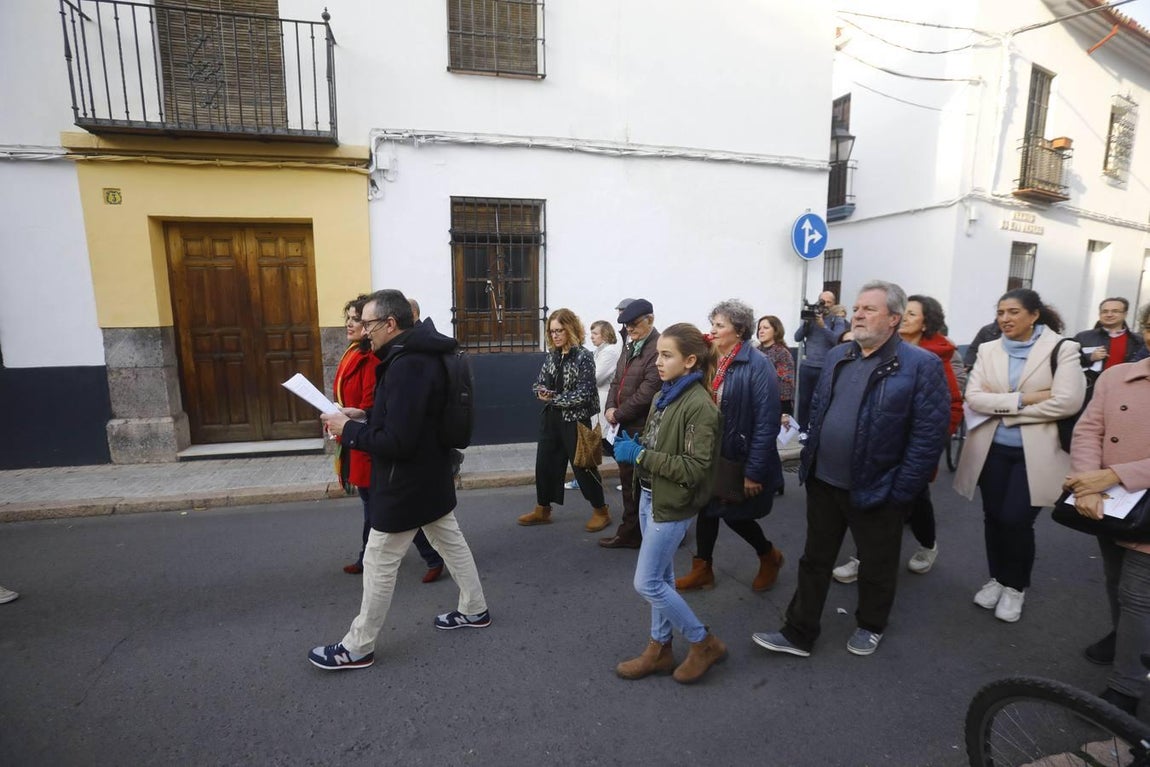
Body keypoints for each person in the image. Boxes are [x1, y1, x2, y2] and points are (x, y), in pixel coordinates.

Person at [752, 281, 949, 658]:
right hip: (824, 481)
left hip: (878, 486)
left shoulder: (920, 365)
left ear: (893, 319)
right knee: (815, 560)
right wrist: (809, 459)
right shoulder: (838, 355)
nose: (858, 315)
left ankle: (871, 624)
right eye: (857, 308)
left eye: (869, 309)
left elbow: (928, 437)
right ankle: (799, 632)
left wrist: (900, 492)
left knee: (877, 563)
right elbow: (819, 408)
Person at [308, 289, 489, 671]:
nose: (364, 331)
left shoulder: (408, 364)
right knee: (450, 542)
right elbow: (409, 415)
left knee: (379, 559)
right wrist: (364, 414)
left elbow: (398, 441)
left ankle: (358, 647)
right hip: (431, 475)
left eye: (369, 324)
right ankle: (475, 608)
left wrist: (348, 431)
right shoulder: (420, 353)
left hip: (406, 483)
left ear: (390, 323)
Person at [954, 288, 1085, 623]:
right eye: (1000, 312)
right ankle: (997, 578)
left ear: (1034, 315)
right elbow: (974, 397)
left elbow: (1067, 402)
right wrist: (1026, 399)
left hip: (1036, 452)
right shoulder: (988, 349)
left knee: (1016, 520)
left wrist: (1008, 413)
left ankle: (1015, 586)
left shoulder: (1063, 348)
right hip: (990, 448)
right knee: (994, 517)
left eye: (1013, 312)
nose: (1005, 319)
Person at [612, 323, 727, 684]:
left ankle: (703, 642)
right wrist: (639, 444)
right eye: (658, 354)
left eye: (666, 355)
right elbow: (661, 444)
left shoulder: (700, 406)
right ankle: (660, 649)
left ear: (690, 361)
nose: (658, 362)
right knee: (662, 578)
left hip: (672, 504)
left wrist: (641, 455)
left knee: (647, 582)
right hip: (650, 496)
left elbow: (695, 468)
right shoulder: (666, 394)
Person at [831, 295, 963, 582]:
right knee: (867, 504)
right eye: (904, 313)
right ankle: (863, 557)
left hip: (911, 450)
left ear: (926, 323)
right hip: (875, 446)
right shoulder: (880, 348)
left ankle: (927, 545)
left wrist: (929, 443)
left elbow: (952, 405)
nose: (904, 318)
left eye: (912, 314)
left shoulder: (935, 357)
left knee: (916, 502)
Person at [1065, 302, 1150, 715]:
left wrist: (1113, 474)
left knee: (1137, 595)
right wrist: (1086, 483)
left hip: (1133, 499)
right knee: (1115, 580)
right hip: (1112, 505)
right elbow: (1088, 431)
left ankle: (1125, 691)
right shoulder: (1117, 376)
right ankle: (1126, 637)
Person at [334, 295, 444, 583]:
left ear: (390, 323)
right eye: (353, 320)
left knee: (383, 541)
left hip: (383, 456)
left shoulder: (399, 363)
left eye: (363, 322)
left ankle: (365, 621)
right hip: (377, 450)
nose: (357, 326)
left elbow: (396, 434)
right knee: (439, 532)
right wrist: (355, 417)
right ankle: (466, 594)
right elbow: (384, 413)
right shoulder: (368, 356)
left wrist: (349, 427)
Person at [677, 301, 784, 593]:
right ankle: (703, 569)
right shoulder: (711, 358)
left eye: (719, 325)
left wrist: (754, 472)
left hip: (738, 457)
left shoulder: (757, 364)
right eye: (712, 324)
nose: (712, 330)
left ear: (739, 330)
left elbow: (767, 421)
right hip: (711, 452)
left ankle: (769, 555)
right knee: (707, 509)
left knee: (735, 515)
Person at [517, 309, 612, 532]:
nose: (556, 335)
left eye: (560, 330)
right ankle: (543, 509)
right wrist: (540, 391)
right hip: (551, 418)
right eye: (552, 331)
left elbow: (585, 392)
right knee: (545, 464)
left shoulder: (583, 356)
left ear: (570, 329)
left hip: (576, 420)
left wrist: (555, 398)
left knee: (583, 467)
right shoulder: (552, 355)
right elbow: (539, 382)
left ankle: (601, 511)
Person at [600, 299, 662, 549]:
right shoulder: (631, 344)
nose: (630, 329)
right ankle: (634, 531)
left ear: (650, 319)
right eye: (627, 325)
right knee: (629, 483)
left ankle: (635, 533)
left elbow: (648, 392)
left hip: (641, 427)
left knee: (640, 485)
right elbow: (616, 380)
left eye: (634, 324)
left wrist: (618, 414)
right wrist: (609, 408)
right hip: (624, 425)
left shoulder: (657, 348)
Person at [566, 320, 621, 491]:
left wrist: (579, 377)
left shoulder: (609, 352)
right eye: (591, 333)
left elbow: (595, 377)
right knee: (592, 441)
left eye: (595, 333)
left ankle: (631, 473)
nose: (592, 337)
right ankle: (585, 479)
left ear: (605, 335)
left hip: (602, 400)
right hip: (594, 400)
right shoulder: (599, 351)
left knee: (606, 441)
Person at [794, 290, 850, 432]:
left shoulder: (837, 319)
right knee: (804, 400)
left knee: (820, 401)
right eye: (822, 301)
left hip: (825, 367)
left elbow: (837, 340)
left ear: (834, 304)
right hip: (807, 365)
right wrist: (807, 323)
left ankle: (816, 429)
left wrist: (823, 326)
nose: (825, 305)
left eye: (828, 302)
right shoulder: (812, 317)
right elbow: (797, 337)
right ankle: (802, 430)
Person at [1074, 297, 1147, 379]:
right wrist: (1090, 357)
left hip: (1125, 383)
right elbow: (1069, 362)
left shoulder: (1138, 340)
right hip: (1091, 384)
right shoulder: (1083, 337)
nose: (1109, 315)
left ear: (1125, 314)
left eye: (1115, 311)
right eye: (1105, 311)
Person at [755, 315, 796, 419]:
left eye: (766, 328)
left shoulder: (782, 353)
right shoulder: (755, 351)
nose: (761, 331)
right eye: (759, 328)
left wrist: (785, 413)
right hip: (756, 401)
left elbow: (786, 384)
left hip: (775, 405)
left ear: (776, 331)